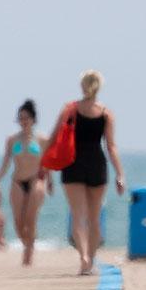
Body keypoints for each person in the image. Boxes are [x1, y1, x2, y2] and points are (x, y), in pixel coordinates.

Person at [51, 71, 125, 276]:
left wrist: (45, 166)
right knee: (94, 218)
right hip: (97, 165)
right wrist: (120, 174)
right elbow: (111, 147)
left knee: (77, 216)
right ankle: (90, 261)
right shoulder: (106, 113)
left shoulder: (70, 110)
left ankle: (82, 257)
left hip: (73, 164)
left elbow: (56, 137)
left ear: (82, 86)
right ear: (99, 87)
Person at [0, 99, 51, 265]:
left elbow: (47, 163)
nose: (23, 121)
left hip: (36, 180)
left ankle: (28, 256)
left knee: (30, 219)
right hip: (18, 181)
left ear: (33, 119)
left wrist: (50, 182)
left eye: (26, 117)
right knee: (19, 224)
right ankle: (28, 244)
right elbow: (6, 162)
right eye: (20, 118)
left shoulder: (42, 139)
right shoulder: (12, 140)